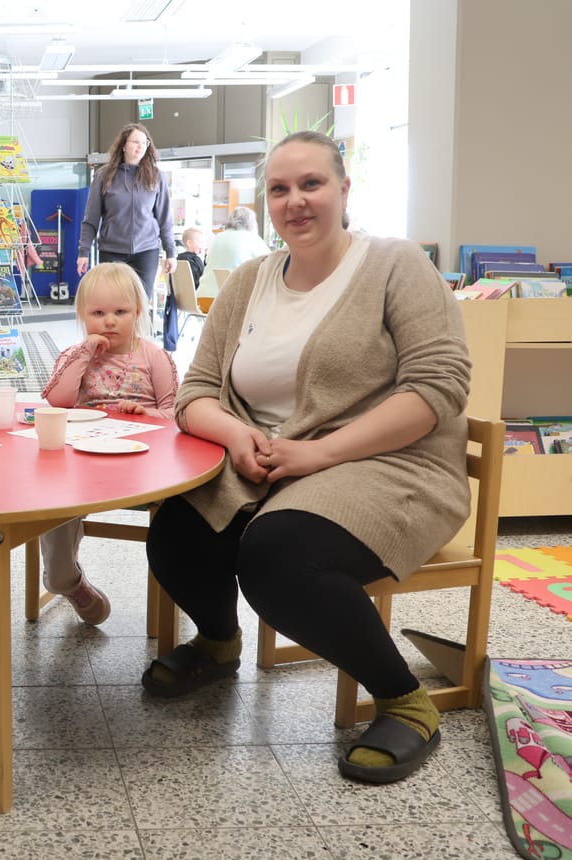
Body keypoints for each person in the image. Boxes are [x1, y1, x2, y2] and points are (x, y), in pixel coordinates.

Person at [142, 131, 472, 785]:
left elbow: (438, 388)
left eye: (312, 184)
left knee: (280, 558)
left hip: (387, 466)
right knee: (178, 527)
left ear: (344, 190)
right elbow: (197, 394)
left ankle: (404, 700)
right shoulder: (249, 281)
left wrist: (315, 453)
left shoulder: (396, 266)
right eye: (279, 188)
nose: (295, 201)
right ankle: (218, 643)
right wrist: (240, 440)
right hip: (266, 460)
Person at [38, 262, 179, 624]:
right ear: (83, 316)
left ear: (138, 313)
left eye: (121, 312)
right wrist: (85, 353)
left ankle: (179, 588)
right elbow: (58, 400)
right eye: (97, 313)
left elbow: (177, 414)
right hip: (82, 463)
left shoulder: (154, 357)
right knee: (51, 498)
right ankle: (66, 580)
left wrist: (147, 414)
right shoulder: (76, 355)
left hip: (141, 465)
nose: (109, 322)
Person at [76, 123, 176, 302]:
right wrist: (83, 251)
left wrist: (171, 252)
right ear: (123, 145)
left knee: (140, 303)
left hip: (146, 250)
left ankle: (138, 332)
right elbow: (91, 218)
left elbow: (164, 219)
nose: (140, 146)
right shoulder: (103, 176)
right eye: (135, 142)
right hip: (111, 250)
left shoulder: (156, 177)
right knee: (113, 302)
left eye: (144, 143)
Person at [196, 205, 271, 301]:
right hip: (228, 305)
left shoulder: (218, 237)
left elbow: (207, 259)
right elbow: (271, 262)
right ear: (252, 222)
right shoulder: (252, 238)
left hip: (203, 298)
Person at [163, 226, 207, 349]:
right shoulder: (195, 261)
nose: (203, 245)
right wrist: (206, 261)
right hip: (195, 302)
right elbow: (201, 280)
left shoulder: (176, 260)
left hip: (178, 300)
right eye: (200, 242)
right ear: (189, 243)